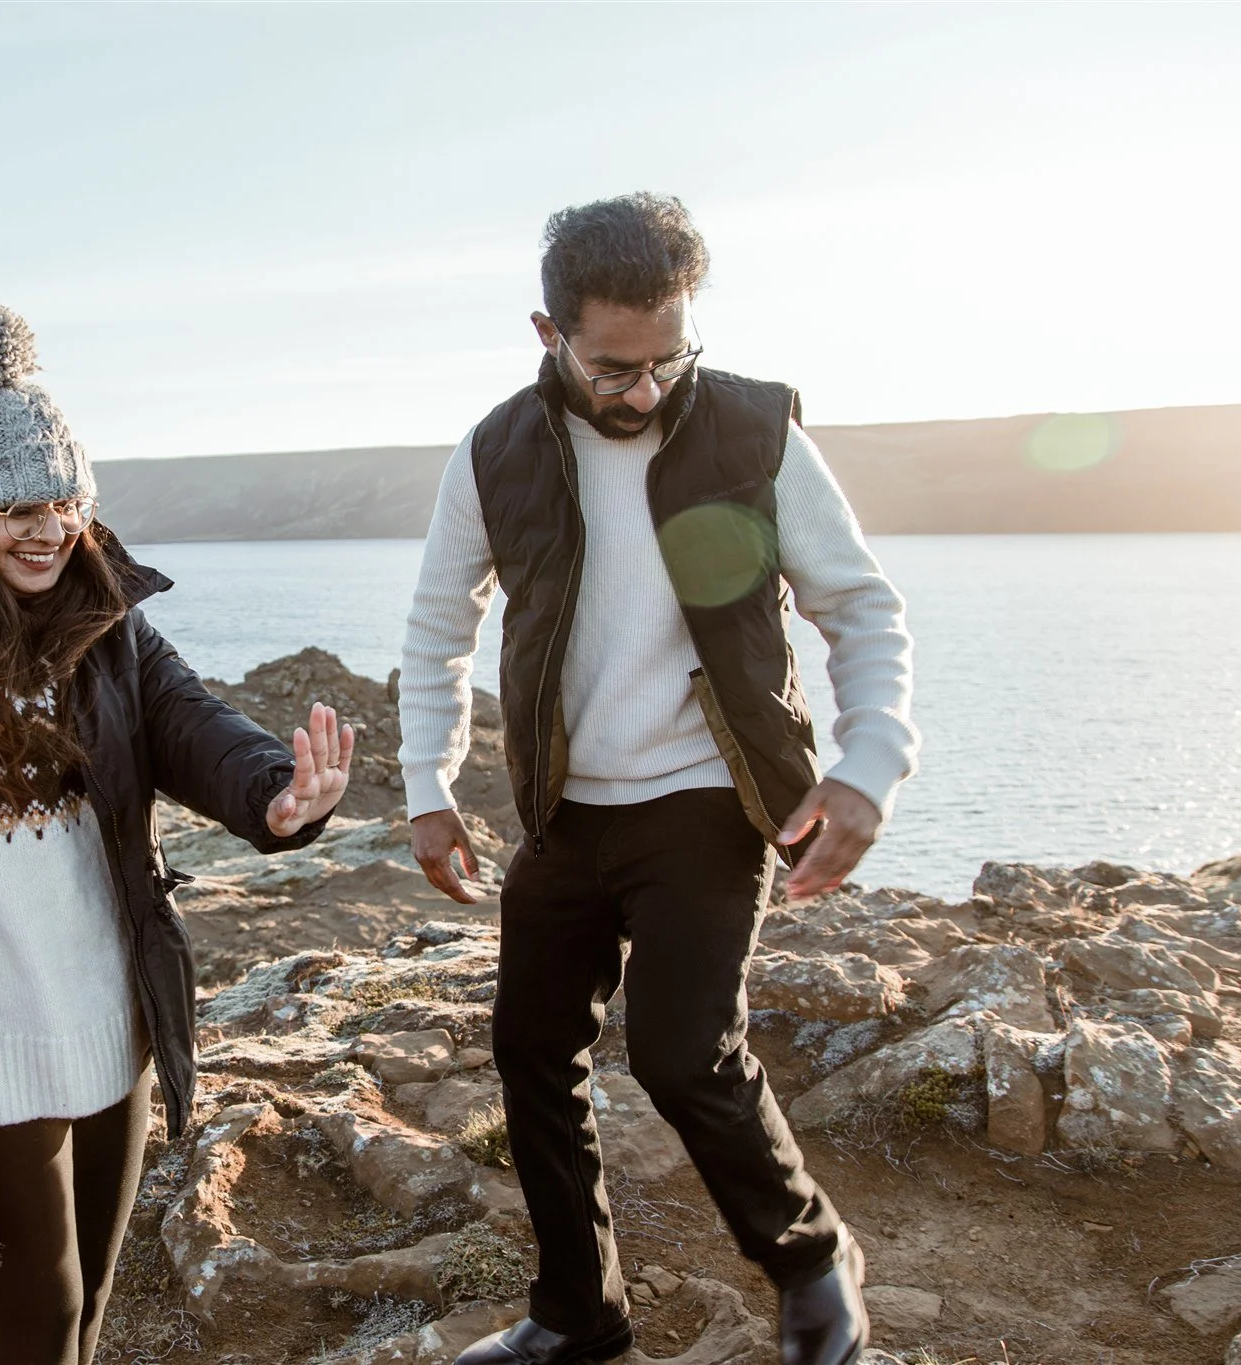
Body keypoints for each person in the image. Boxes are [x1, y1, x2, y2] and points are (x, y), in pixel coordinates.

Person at [0, 301, 353, 1364]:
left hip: (105, 1023)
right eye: (14, 506)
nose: (46, 529)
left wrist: (276, 796)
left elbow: (189, 722)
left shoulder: (103, 623)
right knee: (32, 1318)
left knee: (83, 1308)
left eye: (64, 500)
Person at [399, 194, 918, 1365]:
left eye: (667, 359)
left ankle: (809, 1259)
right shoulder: (494, 451)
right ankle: (576, 1322)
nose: (644, 390)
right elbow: (436, 627)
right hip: (566, 810)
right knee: (531, 1051)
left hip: (706, 796)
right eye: (613, 367)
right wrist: (426, 784)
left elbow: (858, 608)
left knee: (684, 1052)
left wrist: (868, 765)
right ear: (548, 334)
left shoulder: (751, 429)